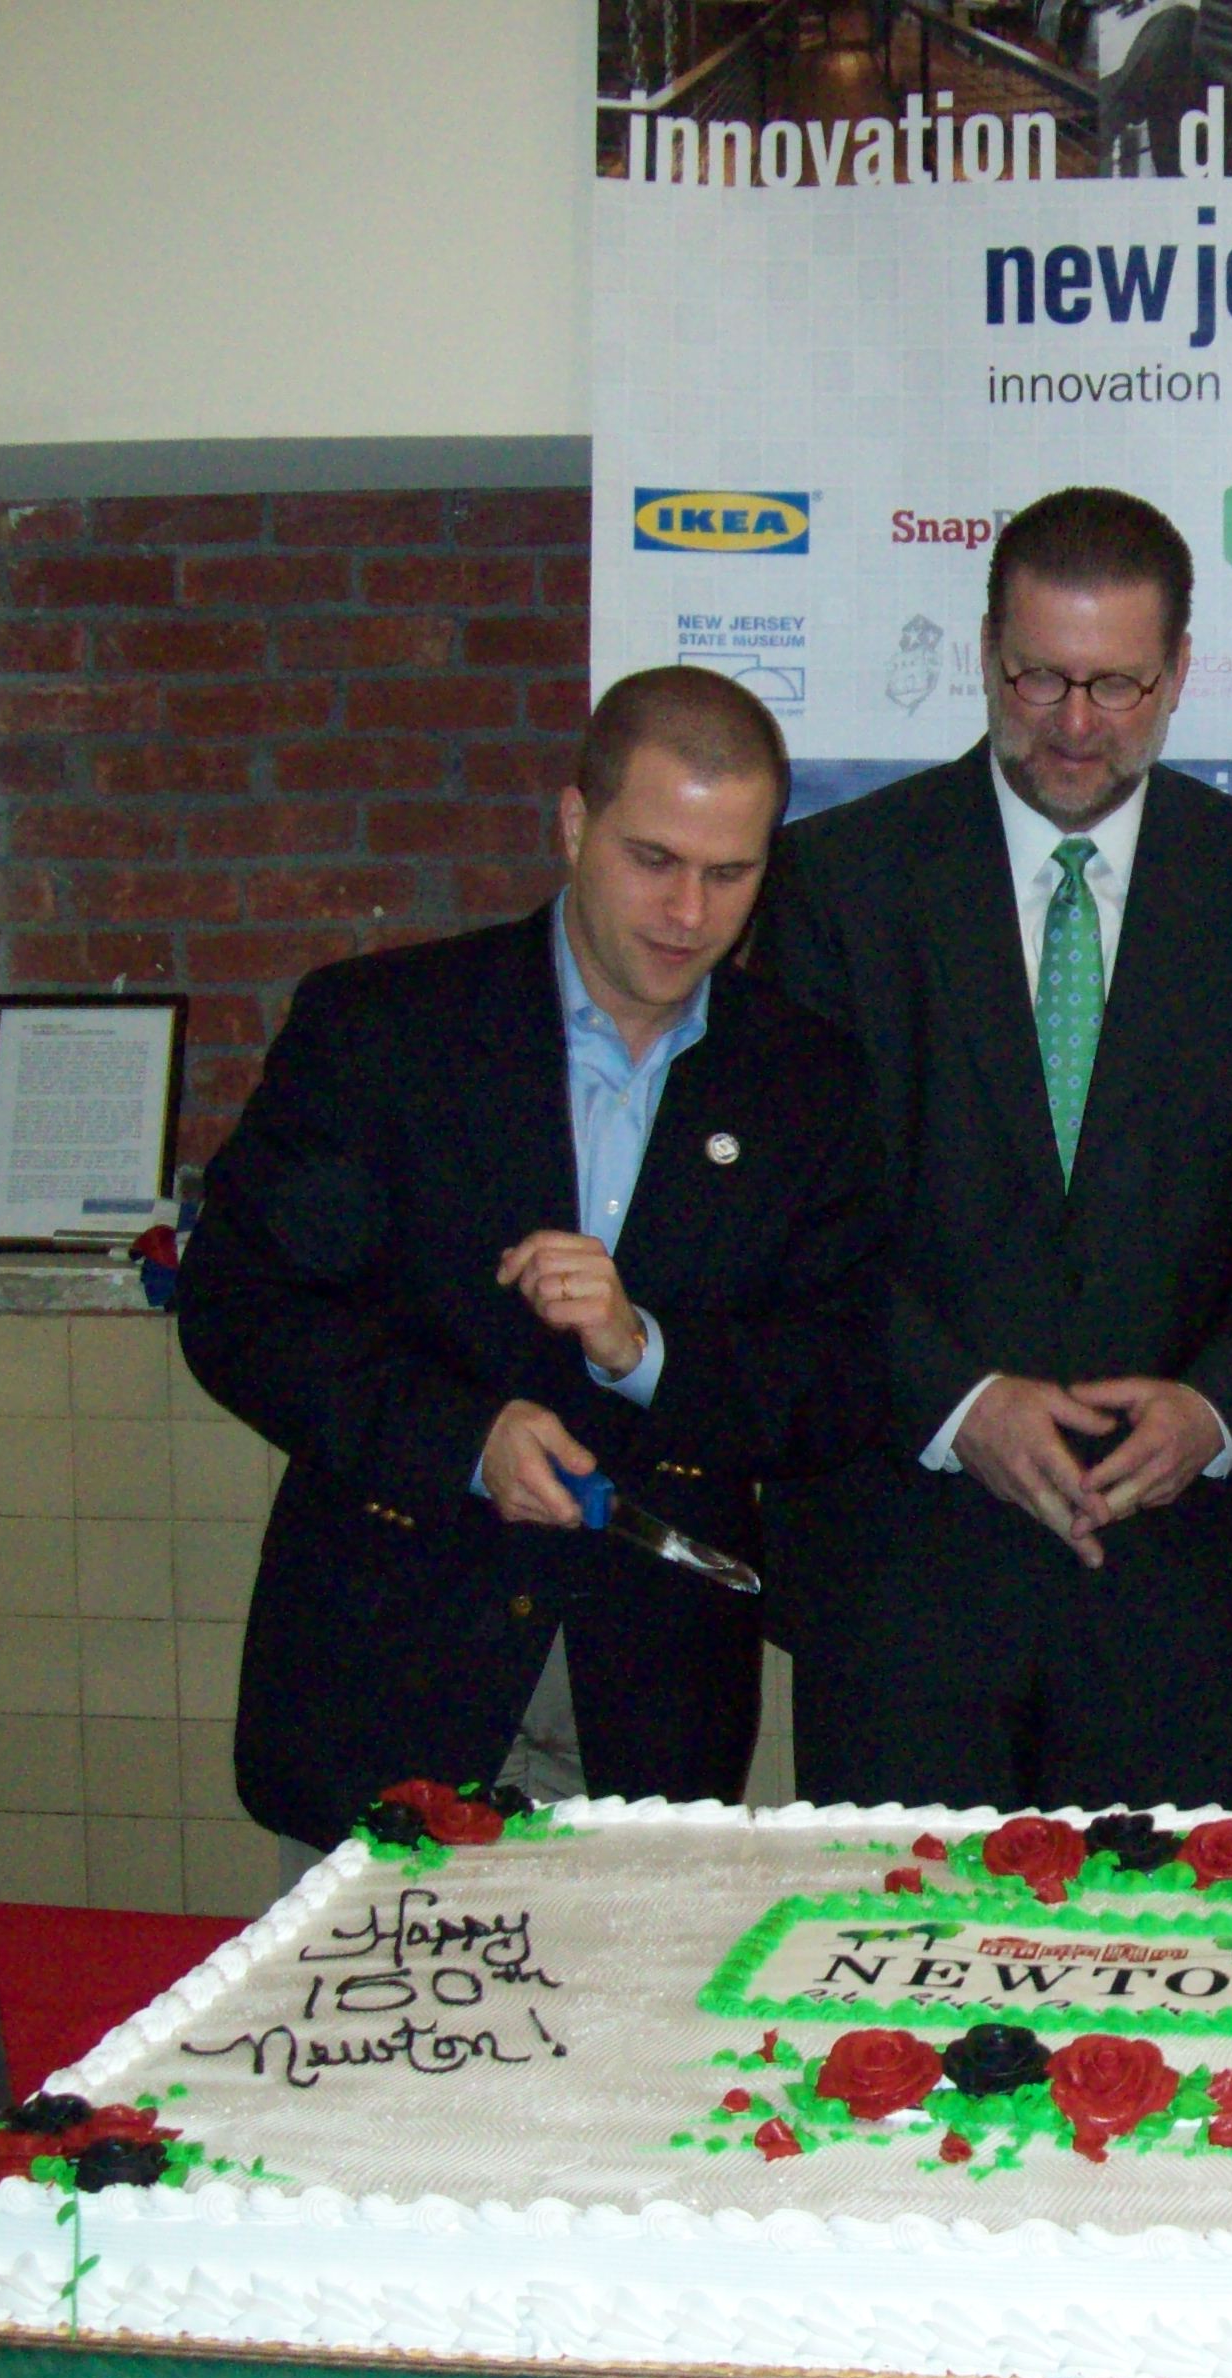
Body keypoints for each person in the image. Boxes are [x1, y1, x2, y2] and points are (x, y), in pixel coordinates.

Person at [753, 486, 1232, 1812]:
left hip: (1172, 1592)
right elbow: (790, 1213)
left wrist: (1215, 1407)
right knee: (885, 1989)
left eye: (1119, 683)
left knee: (1152, 1990)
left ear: (1180, 674)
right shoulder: (838, 881)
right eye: (1040, 676)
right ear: (988, 647)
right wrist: (957, 1402)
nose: (1077, 724)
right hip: (901, 1577)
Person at [177, 667, 886, 1853]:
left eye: (730, 874)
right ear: (572, 825)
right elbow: (240, 1310)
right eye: (652, 859)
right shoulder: (383, 1030)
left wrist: (642, 1349)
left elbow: (841, 1381)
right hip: (392, 1668)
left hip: (649, 1697)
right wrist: (461, 1439)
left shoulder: (806, 1081)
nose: (688, 912)